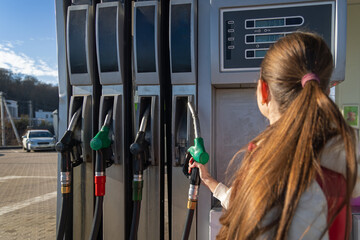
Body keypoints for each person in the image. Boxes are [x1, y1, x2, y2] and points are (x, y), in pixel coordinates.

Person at [189, 32, 360, 240]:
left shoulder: (273, 170)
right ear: (324, 89)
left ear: (263, 90)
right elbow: (251, 203)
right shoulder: (341, 168)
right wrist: (210, 182)